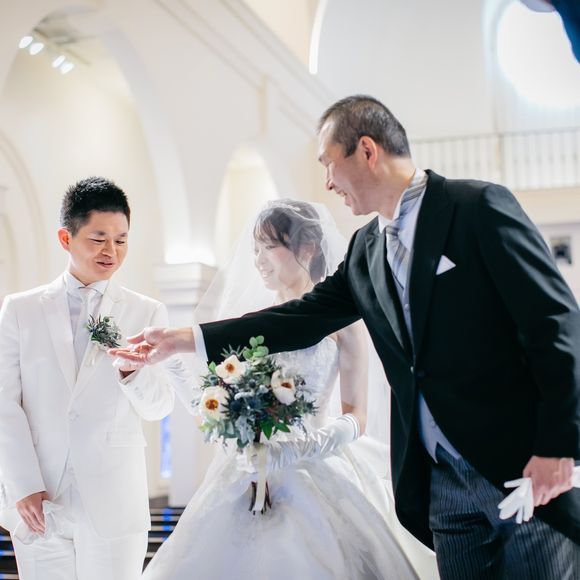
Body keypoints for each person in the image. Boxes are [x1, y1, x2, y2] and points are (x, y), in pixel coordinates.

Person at [113, 96, 580, 578]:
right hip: (440, 485)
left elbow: (555, 323)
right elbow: (298, 319)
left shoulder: (475, 207)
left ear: (367, 150)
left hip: (518, 467)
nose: (327, 183)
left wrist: (557, 446)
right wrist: (182, 339)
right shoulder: (365, 249)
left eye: (328, 163)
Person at [141, 199, 434, 579]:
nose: (259, 261)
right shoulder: (249, 325)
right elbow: (212, 407)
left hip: (314, 462)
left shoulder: (341, 322)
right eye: (255, 250)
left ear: (307, 249)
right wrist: (169, 364)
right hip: (245, 469)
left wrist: (302, 447)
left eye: (268, 247)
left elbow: (357, 416)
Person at [0, 177, 175, 580]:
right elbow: (5, 402)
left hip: (115, 499)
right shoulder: (21, 310)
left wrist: (132, 373)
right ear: (66, 237)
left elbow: (160, 406)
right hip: (41, 497)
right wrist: (22, 484)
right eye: (98, 239)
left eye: (121, 240)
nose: (111, 251)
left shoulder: (146, 313)